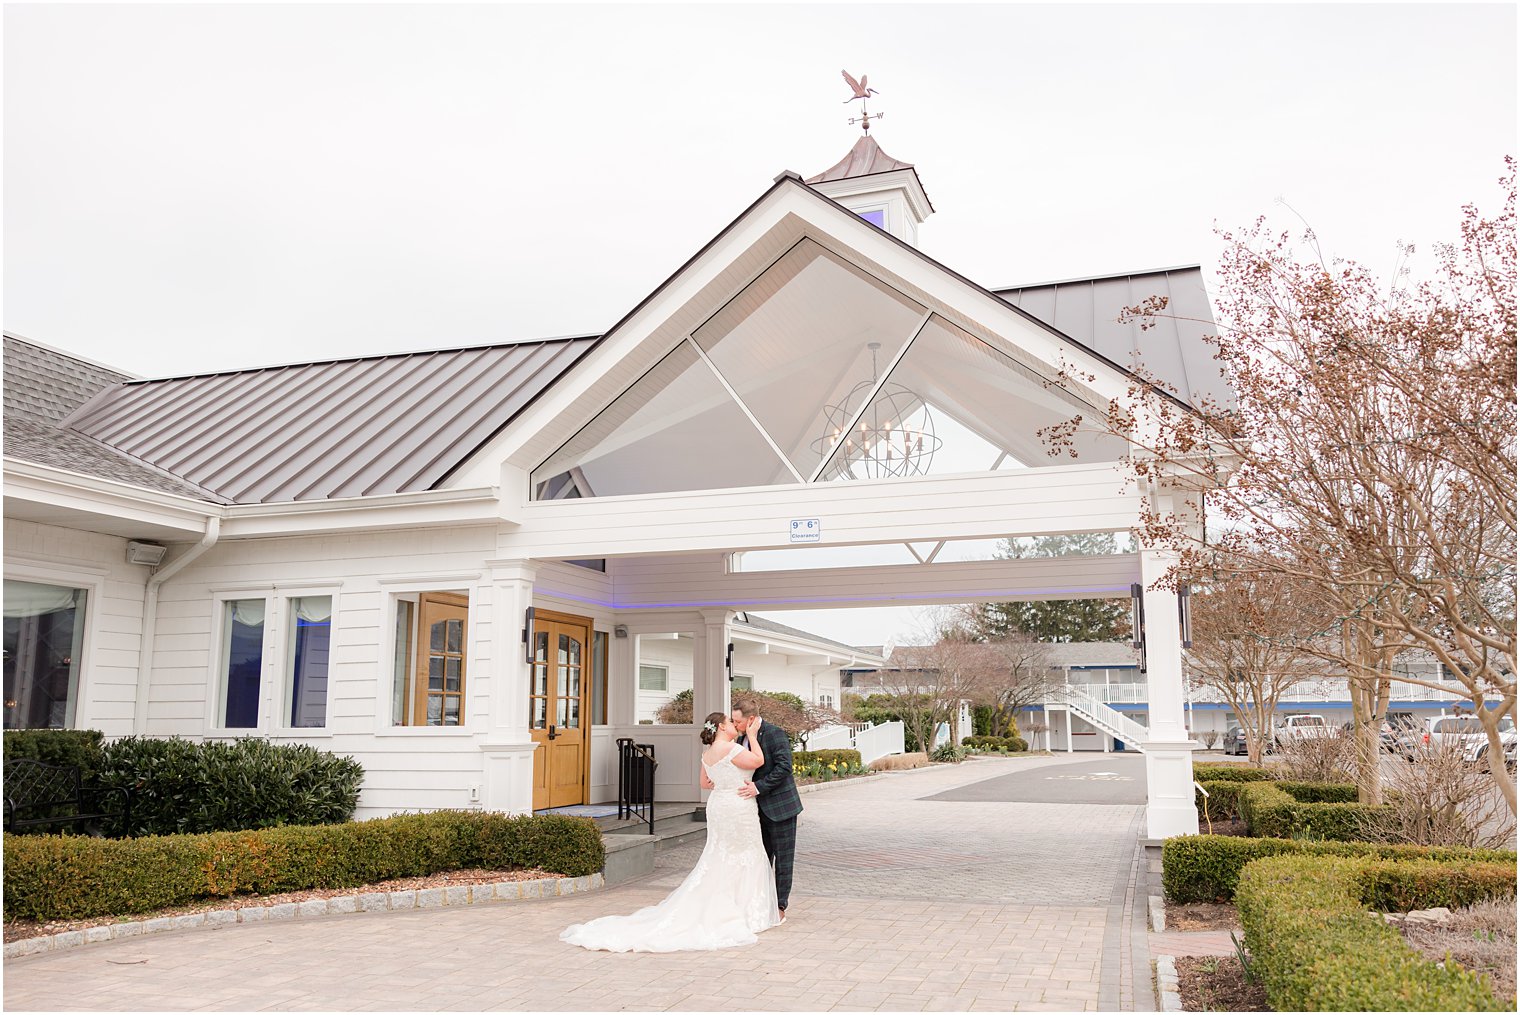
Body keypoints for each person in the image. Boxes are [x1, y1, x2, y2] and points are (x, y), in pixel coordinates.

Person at [559, 712, 780, 952]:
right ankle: (747, 910)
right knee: (745, 852)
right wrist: (752, 735)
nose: (733, 725)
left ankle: (729, 903)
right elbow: (758, 761)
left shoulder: (707, 754)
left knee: (720, 853)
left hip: (719, 805)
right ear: (720, 727)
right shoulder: (731, 749)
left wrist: (725, 782)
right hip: (737, 806)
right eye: (729, 722)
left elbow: (705, 784)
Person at [732, 700, 801, 923]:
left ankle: (780, 906)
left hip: (781, 807)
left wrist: (758, 787)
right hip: (753, 811)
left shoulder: (774, 733)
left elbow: (784, 767)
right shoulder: (739, 738)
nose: (735, 725)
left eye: (738, 721)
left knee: (783, 860)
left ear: (751, 719)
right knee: (760, 859)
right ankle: (760, 903)